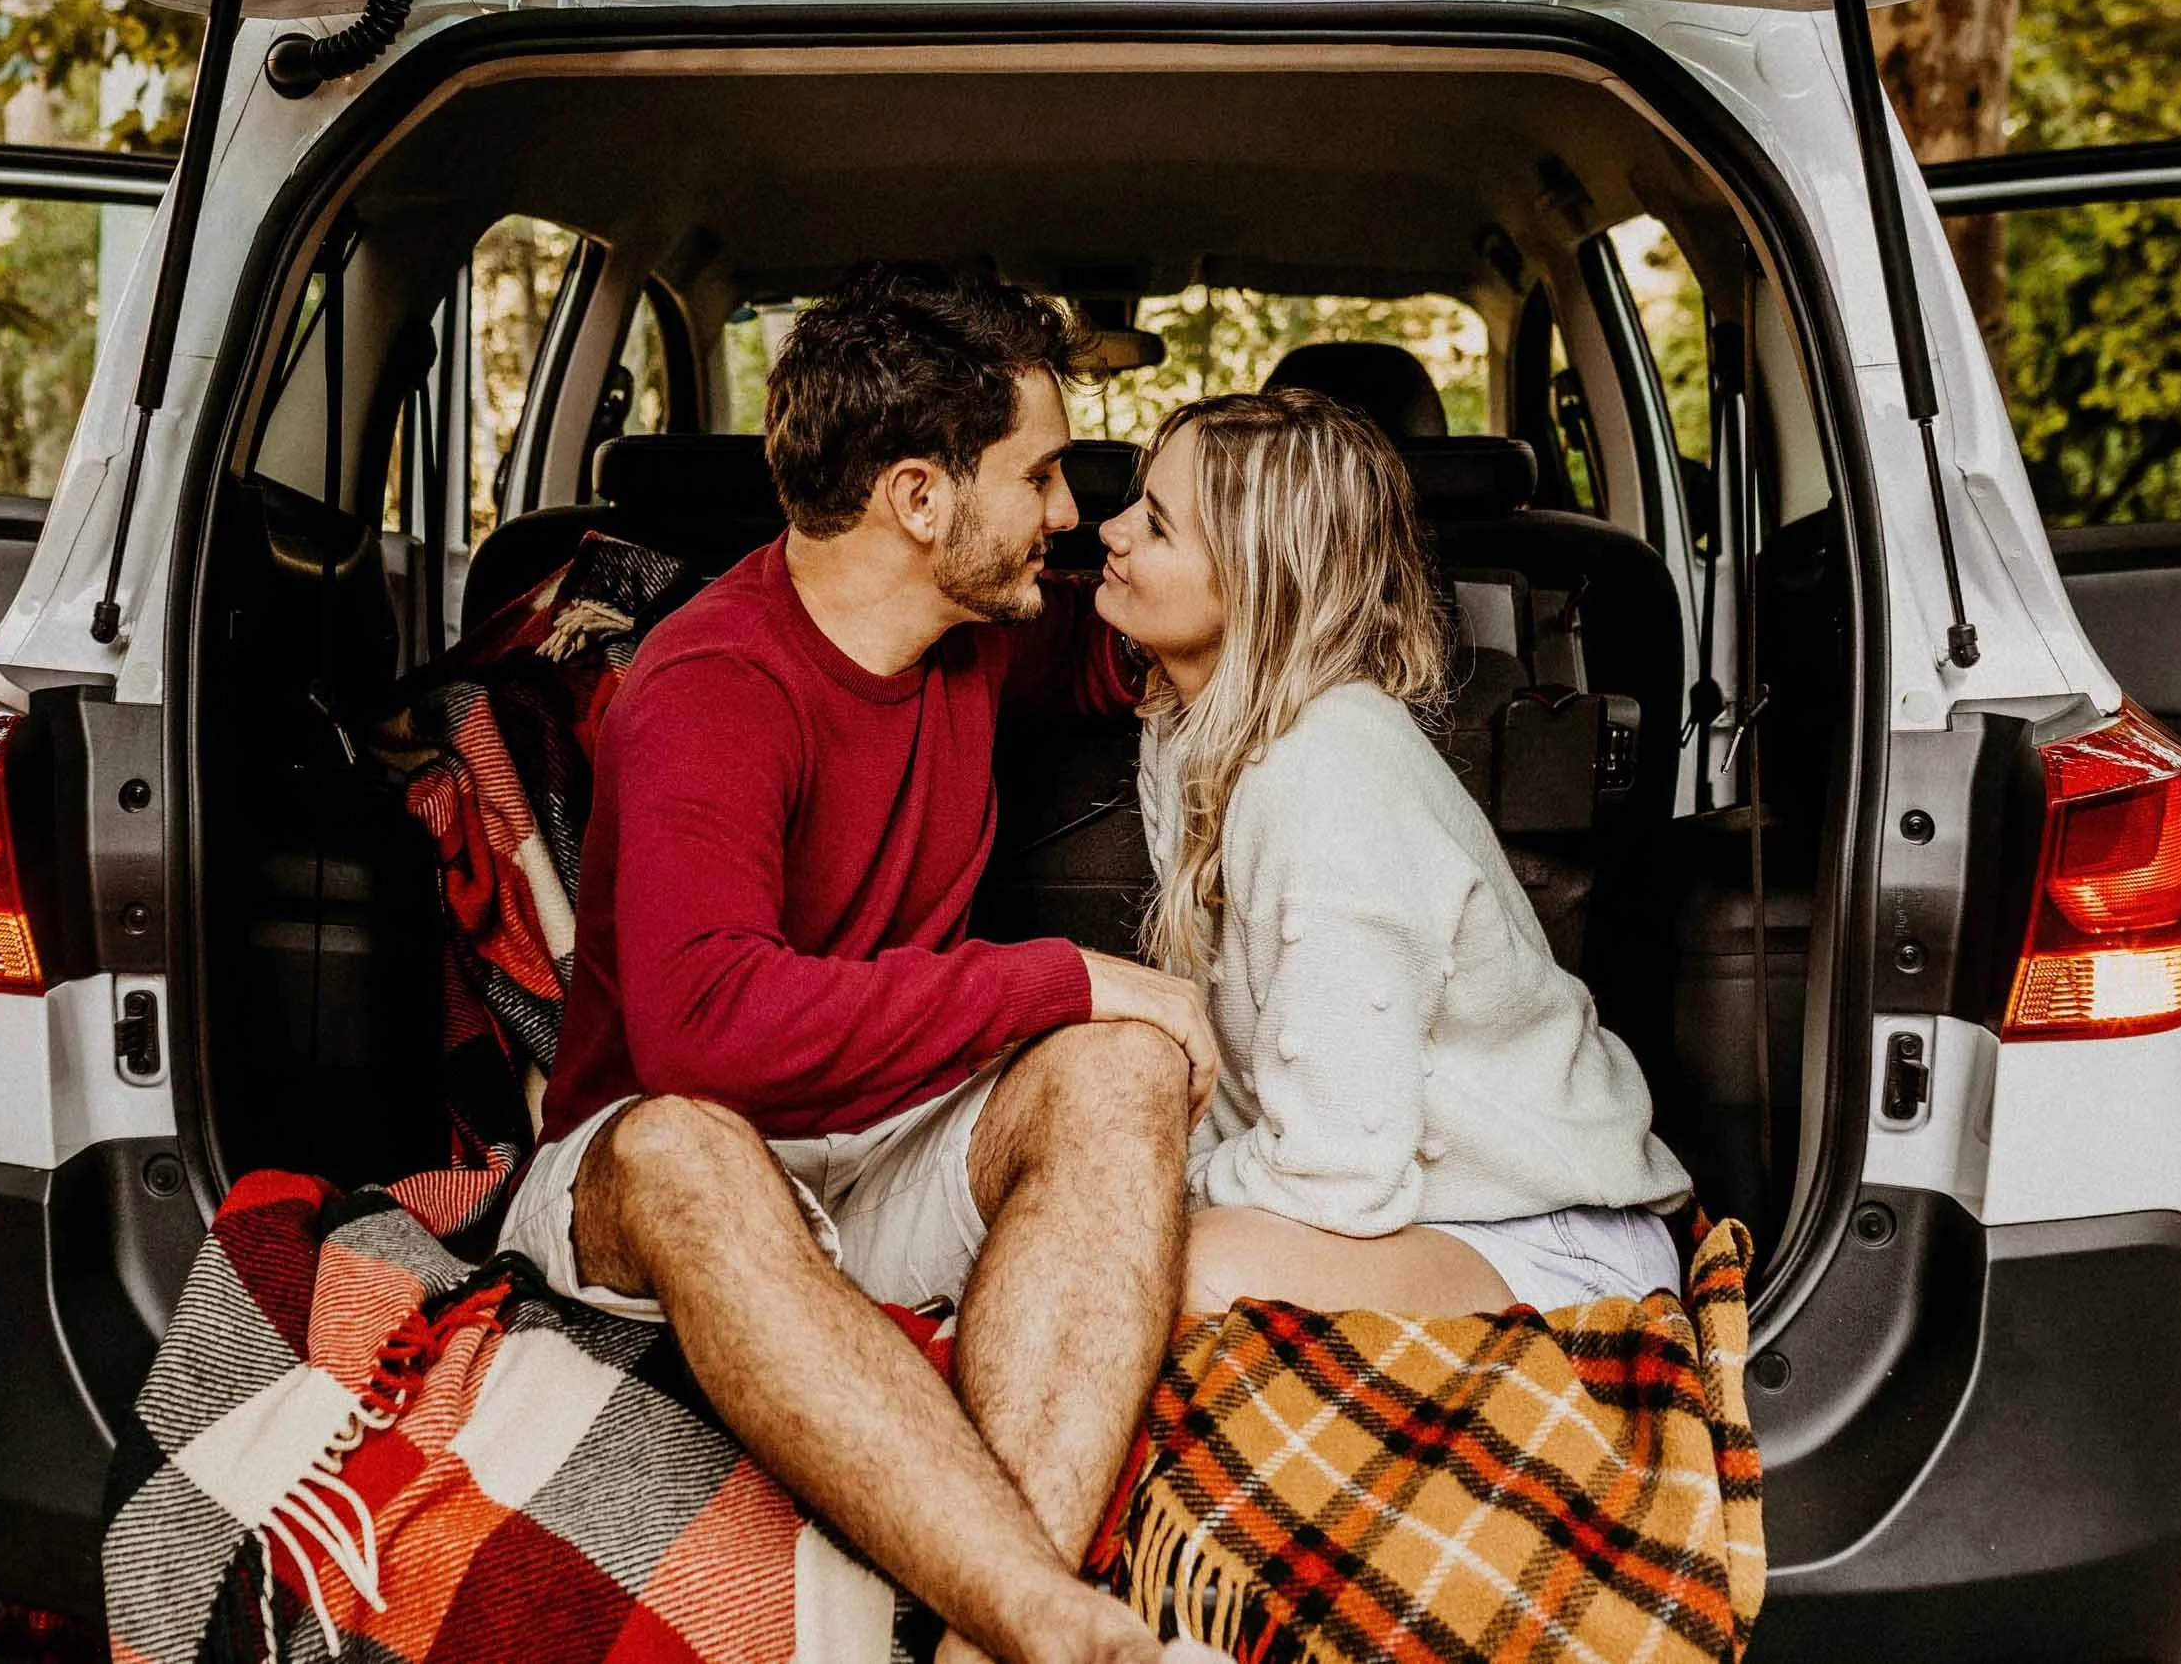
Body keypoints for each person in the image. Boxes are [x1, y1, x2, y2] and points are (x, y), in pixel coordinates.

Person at [498, 264, 1223, 1664]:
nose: (1071, 515)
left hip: (874, 1143)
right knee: (687, 1148)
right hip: (659, 1172)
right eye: (1045, 474)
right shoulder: (712, 686)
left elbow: (1117, 645)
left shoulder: (968, 632)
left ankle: (990, 1640)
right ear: (918, 498)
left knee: (1122, 1068)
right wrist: (1062, 974)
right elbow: (706, 1033)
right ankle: (1049, 1617)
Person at [1093, 388, 1694, 1318]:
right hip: (1402, 1208)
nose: (1111, 529)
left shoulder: (1327, 780)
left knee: (1160, 1280)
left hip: (1549, 1231)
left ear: (1258, 580)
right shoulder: (1190, 734)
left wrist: (1143, 1204)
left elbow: (1337, 1176)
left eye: (1157, 526)